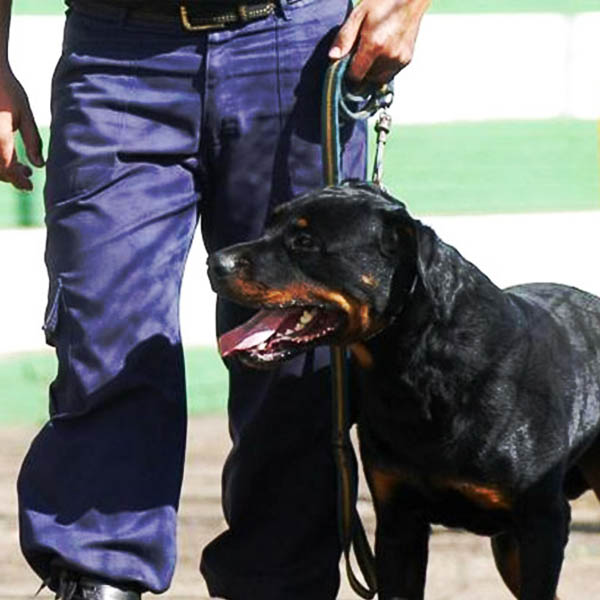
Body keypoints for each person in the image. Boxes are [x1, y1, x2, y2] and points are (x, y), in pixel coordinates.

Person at [0, 0, 429, 597]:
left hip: (299, 42)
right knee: (104, 330)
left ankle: (281, 586)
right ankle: (97, 581)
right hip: (114, 52)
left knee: (299, 347)